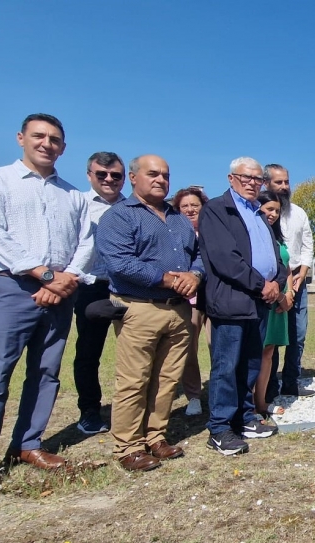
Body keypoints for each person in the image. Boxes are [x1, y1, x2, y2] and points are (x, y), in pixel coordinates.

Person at [0, 113, 93, 497]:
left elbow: (86, 243)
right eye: (39, 136)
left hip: (61, 292)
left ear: (63, 147)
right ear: (21, 138)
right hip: (12, 288)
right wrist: (44, 274)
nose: (46, 144)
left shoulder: (73, 195)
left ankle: (28, 444)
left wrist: (62, 279)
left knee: (46, 373)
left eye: (54, 139)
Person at [96, 155, 202, 472]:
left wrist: (195, 275)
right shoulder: (118, 217)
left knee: (168, 379)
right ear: (133, 177)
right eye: (152, 173)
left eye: (165, 175)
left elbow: (199, 256)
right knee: (134, 380)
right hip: (140, 308)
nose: (160, 180)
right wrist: (166, 278)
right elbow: (120, 263)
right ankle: (128, 446)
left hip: (179, 310)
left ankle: (155, 436)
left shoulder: (179, 219)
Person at [199, 156, 287, 455]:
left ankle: (245, 417)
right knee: (226, 365)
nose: (252, 183)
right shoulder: (217, 209)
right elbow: (226, 258)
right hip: (232, 300)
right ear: (230, 178)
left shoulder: (258, 212)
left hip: (259, 302)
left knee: (251, 362)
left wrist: (277, 281)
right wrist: (263, 285)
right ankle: (221, 428)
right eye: (245, 177)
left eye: (257, 179)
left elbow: (274, 254)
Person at [72, 151, 126, 435]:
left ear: (124, 177)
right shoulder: (77, 204)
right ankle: (90, 411)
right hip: (91, 286)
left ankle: (135, 407)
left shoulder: (132, 207)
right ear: (89, 175)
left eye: (115, 175)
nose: (108, 180)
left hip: (127, 287)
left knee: (136, 351)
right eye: (101, 174)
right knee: (89, 352)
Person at [263, 164, 315, 399]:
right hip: (273, 282)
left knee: (298, 333)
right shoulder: (262, 212)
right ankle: (269, 385)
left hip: (298, 282)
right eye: (278, 183)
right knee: (272, 336)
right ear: (266, 184)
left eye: (286, 182)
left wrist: (301, 275)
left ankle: (291, 382)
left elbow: (307, 246)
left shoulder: (299, 213)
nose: (284, 187)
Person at [172, 186, 210, 416]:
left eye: (194, 205)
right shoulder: (174, 234)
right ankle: (194, 396)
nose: (189, 210)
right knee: (189, 349)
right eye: (184, 206)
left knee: (219, 347)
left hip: (214, 298)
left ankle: (219, 391)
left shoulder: (213, 230)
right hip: (189, 299)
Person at [255, 190, 293, 417]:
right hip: (264, 298)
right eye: (269, 208)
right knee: (255, 352)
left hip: (281, 302)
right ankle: (249, 404)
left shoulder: (277, 237)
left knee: (268, 352)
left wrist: (289, 295)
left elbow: (286, 266)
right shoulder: (253, 234)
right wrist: (279, 295)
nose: (273, 214)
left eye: (277, 210)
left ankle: (261, 402)